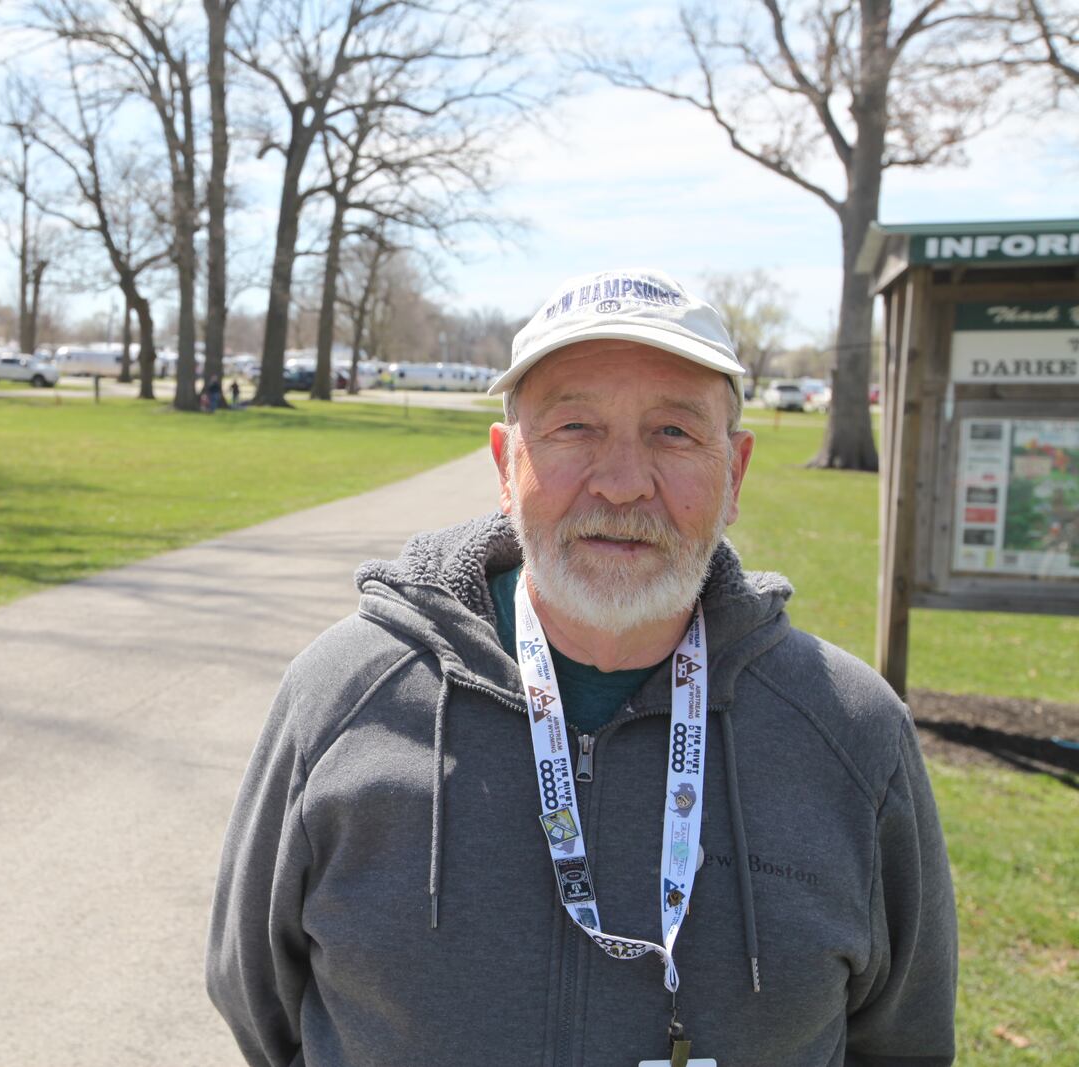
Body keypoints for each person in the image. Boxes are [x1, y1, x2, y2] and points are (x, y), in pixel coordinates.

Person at [206, 268, 957, 1067]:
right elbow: (259, 1007)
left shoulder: (851, 731)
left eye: (674, 432)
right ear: (505, 464)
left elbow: (904, 1043)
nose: (623, 482)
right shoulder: (343, 695)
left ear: (734, 474)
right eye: (573, 427)